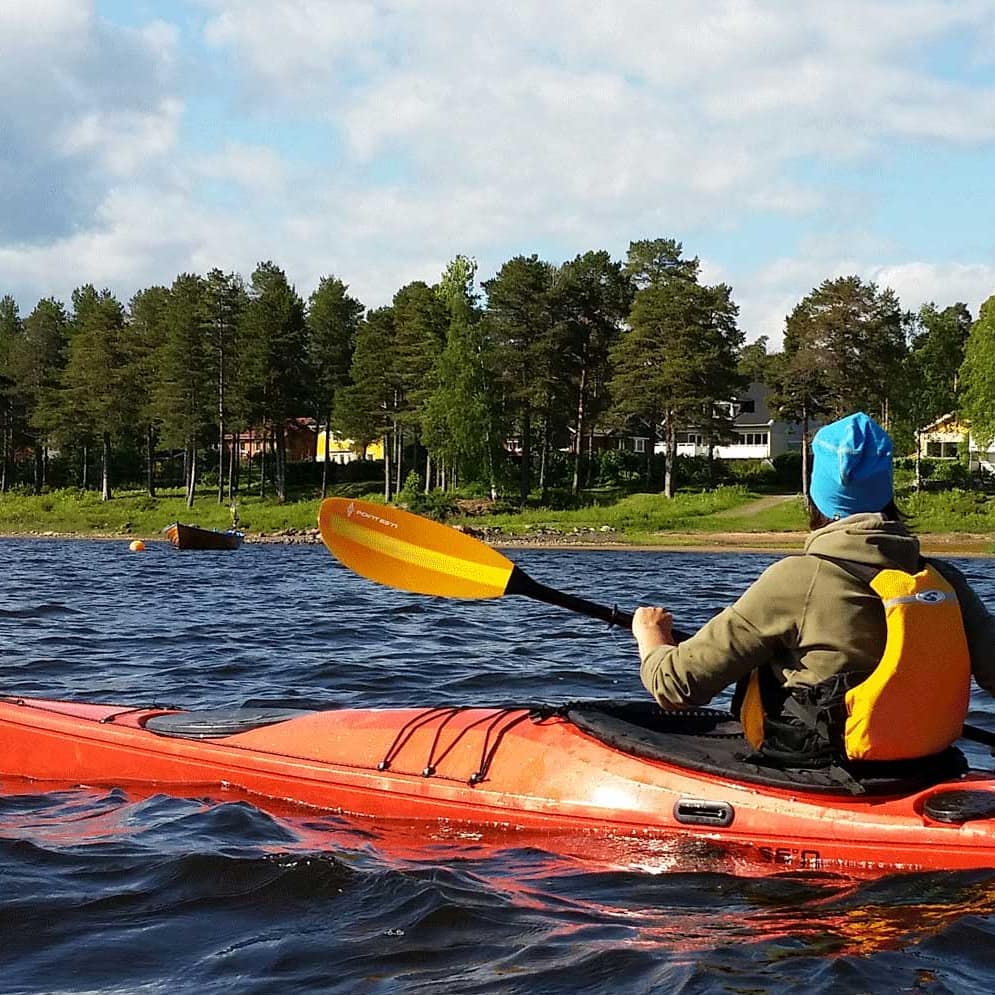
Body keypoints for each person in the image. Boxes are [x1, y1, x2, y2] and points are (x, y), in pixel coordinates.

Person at [632, 411, 995, 767]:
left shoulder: (797, 579)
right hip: (930, 765)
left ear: (818, 495)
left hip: (824, 773)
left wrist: (652, 637)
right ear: (887, 493)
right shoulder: (944, 580)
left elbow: (677, 686)